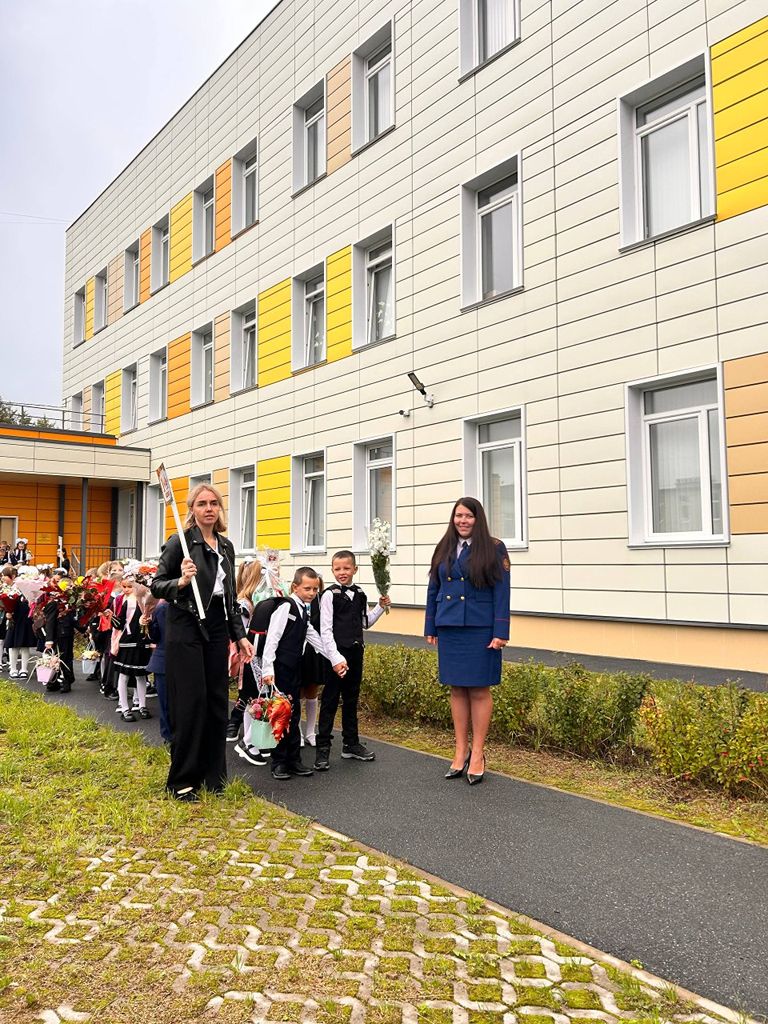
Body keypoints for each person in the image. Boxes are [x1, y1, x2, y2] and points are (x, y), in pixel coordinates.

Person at [151, 483, 254, 802]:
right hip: (186, 624)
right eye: (202, 503)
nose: (209, 508)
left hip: (217, 625)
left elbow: (230, 598)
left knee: (216, 700)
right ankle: (182, 780)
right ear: (192, 509)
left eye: (213, 503)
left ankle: (213, 776)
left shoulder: (226, 546)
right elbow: (157, 585)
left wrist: (240, 635)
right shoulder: (179, 543)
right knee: (191, 702)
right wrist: (182, 581)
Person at [425, 497, 510, 787]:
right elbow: (433, 587)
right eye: (458, 515)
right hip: (450, 626)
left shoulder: (494, 547)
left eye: (468, 516)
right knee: (457, 688)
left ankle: (478, 754)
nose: (463, 521)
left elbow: (502, 591)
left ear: (478, 519)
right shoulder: (444, 546)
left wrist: (501, 630)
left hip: (480, 627)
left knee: (479, 689)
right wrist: (431, 624)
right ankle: (461, 750)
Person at [261, 566, 345, 781]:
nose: (312, 593)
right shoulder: (286, 607)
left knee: (294, 713)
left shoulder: (303, 610)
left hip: (295, 668)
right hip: (281, 669)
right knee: (281, 715)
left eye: (315, 589)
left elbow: (313, 636)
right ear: (295, 587)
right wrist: (268, 669)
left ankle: (293, 760)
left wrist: (335, 658)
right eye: (307, 588)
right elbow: (272, 639)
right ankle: (279, 762)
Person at [315, 551, 390, 771]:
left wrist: (381, 606)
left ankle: (351, 743)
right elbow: (325, 630)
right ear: (332, 570)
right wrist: (335, 658)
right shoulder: (329, 595)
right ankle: (323, 748)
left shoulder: (360, 594)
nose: (342, 572)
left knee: (351, 699)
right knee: (330, 700)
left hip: (356, 653)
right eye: (337, 569)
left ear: (355, 569)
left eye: (346, 568)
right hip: (335, 655)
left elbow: (365, 622)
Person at [112, 574, 152, 722]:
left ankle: (142, 705)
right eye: (126, 587)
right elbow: (119, 623)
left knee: (141, 675)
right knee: (124, 675)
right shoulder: (127, 602)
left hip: (143, 641)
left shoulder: (149, 601)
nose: (128, 589)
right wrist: (109, 616)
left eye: (132, 586)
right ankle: (124, 707)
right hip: (128, 642)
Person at [41, 569, 79, 693]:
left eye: (71, 587)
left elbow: (74, 619)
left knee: (66, 657)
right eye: (68, 587)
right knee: (54, 657)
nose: (70, 589)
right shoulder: (54, 603)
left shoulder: (72, 602)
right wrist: (49, 640)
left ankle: (66, 680)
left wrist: (83, 628)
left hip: (67, 634)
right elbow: (50, 621)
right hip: (57, 634)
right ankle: (53, 681)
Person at [4, 564, 35, 678]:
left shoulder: (25, 587)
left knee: (25, 644)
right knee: (13, 644)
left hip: (25, 618)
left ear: (12, 576)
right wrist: (7, 611)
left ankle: (24, 669)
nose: (3, 578)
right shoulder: (6, 588)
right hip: (14, 619)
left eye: (4, 576)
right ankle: (13, 669)